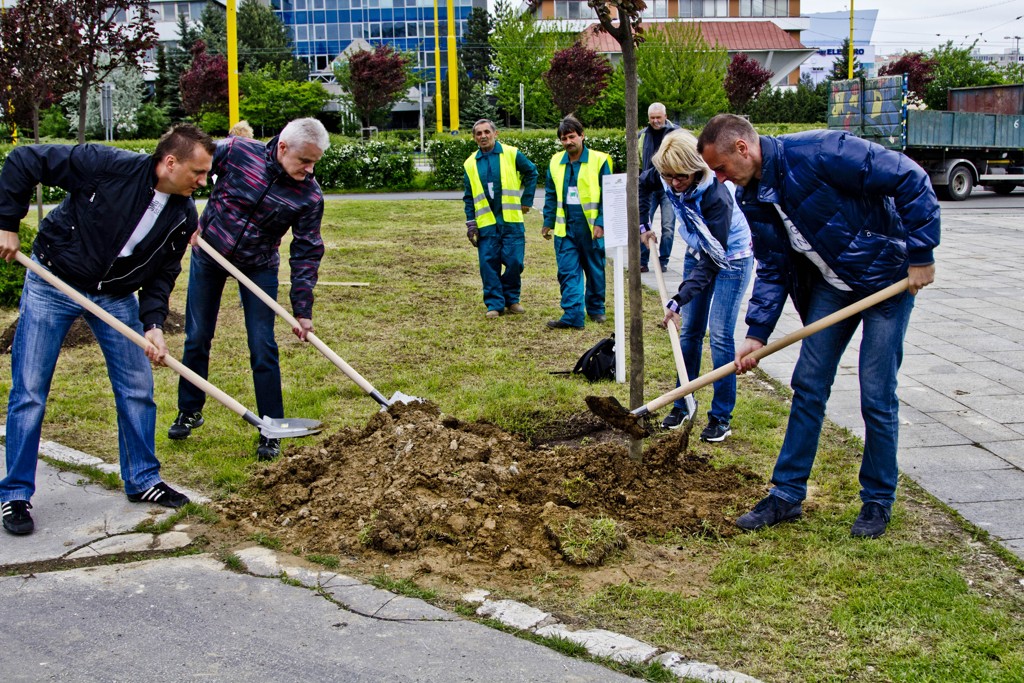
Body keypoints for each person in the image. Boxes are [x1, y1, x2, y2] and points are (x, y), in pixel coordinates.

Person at [697, 114, 940, 539]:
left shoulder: (822, 150)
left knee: (877, 393)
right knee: (808, 384)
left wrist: (921, 254)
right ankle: (787, 493)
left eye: (720, 169)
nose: (720, 179)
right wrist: (756, 334)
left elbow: (910, 178)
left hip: (888, 280)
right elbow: (772, 266)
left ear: (742, 148)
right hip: (834, 286)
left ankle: (878, 501)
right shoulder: (750, 196)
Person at [0, 125, 216, 536]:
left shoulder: (182, 214)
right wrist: (6, 223)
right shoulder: (105, 165)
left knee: (137, 386)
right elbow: (25, 160)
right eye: (199, 172)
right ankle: (15, 494)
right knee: (29, 390)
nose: (204, 182)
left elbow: (162, 274)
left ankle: (143, 480)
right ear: (170, 162)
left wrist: (153, 324)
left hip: (115, 296)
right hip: (53, 280)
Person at [168, 118, 329, 461]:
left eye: (315, 162)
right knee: (197, 336)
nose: (309, 169)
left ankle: (271, 426)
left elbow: (306, 251)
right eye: (304, 161)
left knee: (262, 344)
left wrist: (302, 310)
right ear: (283, 148)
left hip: (259, 265)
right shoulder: (238, 152)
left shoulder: (309, 195)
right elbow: (190, 172)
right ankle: (189, 409)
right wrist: (189, 223)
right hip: (209, 254)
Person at [638, 129, 753, 441]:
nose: (674, 183)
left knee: (719, 335)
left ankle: (721, 417)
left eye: (681, 177)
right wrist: (643, 224)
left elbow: (713, 262)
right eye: (669, 176)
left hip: (730, 259)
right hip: (696, 251)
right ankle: (683, 403)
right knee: (688, 331)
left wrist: (678, 299)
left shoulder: (716, 197)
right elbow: (642, 185)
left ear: (696, 168)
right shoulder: (665, 174)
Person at [542, 115, 613, 330]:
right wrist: (548, 222)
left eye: (572, 137)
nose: (568, 142)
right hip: (566, 229)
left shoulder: (600, 161)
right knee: (567, 271)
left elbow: (607, 194)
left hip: (591, 228)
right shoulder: (555, 162)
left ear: (582, 136)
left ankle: (596, 309)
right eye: (563, 139)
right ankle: (573, 314)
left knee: (595, 270)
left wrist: (601, 222)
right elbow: (551, 193)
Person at [462, 119, 539, 318]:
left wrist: (527, 199)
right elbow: (469, 196)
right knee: (489, 265)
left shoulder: (512, 154)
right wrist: (471, 223)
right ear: (474, 138)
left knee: (515, 262)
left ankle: (511, 298)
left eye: (487, 132)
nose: (483, 136)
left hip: (511, 221)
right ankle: (495, 304)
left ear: (496, 134)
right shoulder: (470, 163)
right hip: (486, 224)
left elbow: (532, 172)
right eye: (478, 133)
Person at [638, 102, 678, 274]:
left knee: (668, 226)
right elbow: (639, 160)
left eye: (658, 117)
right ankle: (643, 260)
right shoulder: (642, 135)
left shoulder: (676, 134)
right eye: (652, 118)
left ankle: (663, 261)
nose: (655, 121)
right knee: (644, 223)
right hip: (649, 186)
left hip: (669, 187)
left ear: (665, 116)